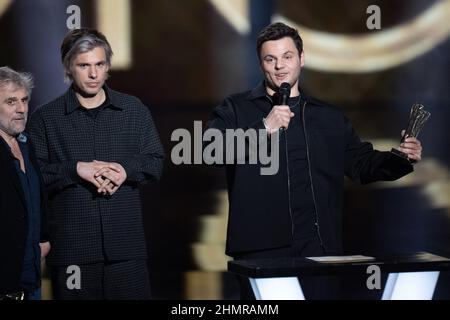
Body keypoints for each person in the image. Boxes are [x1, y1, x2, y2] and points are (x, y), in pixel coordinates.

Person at [205, 22, 422, 299]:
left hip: (321, 248)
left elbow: (360, 164)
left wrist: (402, 158)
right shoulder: (236, 108)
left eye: (287, 57)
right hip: (261, 250)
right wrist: (263, 128)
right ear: (261, 64)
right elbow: (210, 151)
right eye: (270, 59)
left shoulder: (328, 116)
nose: (279, 66)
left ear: (302, 58)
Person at [27, 29, 164, 300]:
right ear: (69, 68)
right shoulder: (46, 118)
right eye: (84, 65)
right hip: (72, 253)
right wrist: (75, 169)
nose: (93, 74)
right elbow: (33, 176)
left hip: (126, 250)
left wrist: (125, 170)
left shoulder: (133, 110)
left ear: (107, 66)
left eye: (99, 64)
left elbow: (156, 161)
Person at [0, 66, 51, 300]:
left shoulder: (27, 146)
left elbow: (37, 200)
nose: (21, 109)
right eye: (11, 102)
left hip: (30, 282)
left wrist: (43, 239)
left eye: (24, 100)